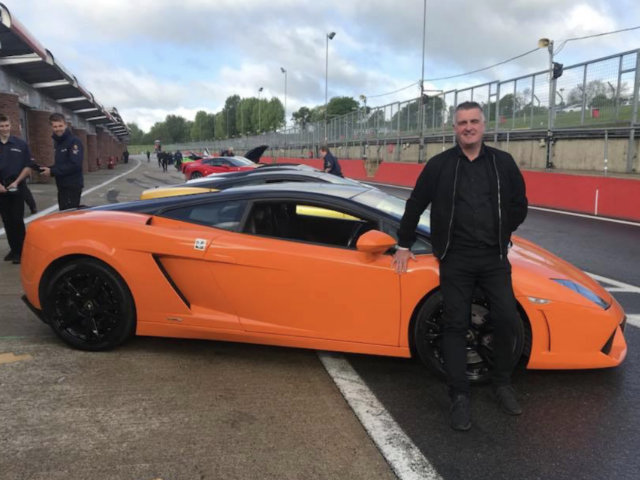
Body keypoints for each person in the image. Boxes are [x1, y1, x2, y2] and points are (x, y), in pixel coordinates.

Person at [392, 101, 528, 432]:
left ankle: (501, 383)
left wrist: (502, 231)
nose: (468, 127)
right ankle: (460, 395)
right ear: (454, 128)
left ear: (484, 125)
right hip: (455, 258)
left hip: (494, 258)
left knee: (507, 318)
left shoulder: (502, 163)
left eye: (474, 121)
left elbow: (518, 204)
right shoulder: (439, 165)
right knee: (455, 324)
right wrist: (404, 244)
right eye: (462, 122)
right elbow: (415, 204)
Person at [0, 114, 38, 263]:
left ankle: (21, 251)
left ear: (10, 125)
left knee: (17, 219)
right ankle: (13, 248)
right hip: (1, 188)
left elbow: (28, 166)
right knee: (7, 220)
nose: (4, 128)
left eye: (6, 125)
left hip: (17, 186)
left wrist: (16, 182)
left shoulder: (20, 144)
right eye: (1, 126)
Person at [39, 113, 84, 210]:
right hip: (62, 185)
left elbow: (75, 164)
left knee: (69, 215)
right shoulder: (58, 142)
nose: (58, 129)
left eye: (60, 126)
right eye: (55, 126)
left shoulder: (74, 141)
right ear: (51, 127)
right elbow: (61, 164)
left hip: (72, 186)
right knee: (63, 213)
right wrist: (49, 169)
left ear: (66, 125)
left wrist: (52, 171)